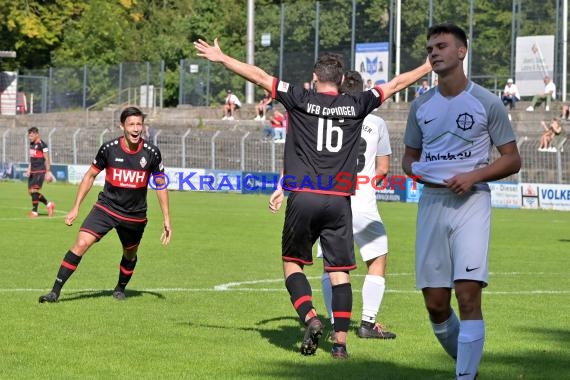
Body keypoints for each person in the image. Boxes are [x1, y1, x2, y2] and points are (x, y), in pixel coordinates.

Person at [194, 37, 431, 360]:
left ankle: (310, 317)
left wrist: (222, 58)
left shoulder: (299, 97)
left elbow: (259, 76)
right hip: (339, 199)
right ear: (341, 80)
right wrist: (430, 65)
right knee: (340, 272)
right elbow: (396, 83)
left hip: (303, 194)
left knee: (293, 264)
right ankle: (340, 345)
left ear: (316, 78)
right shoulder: (357, 104)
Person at [402, 24, 521, 380]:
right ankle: (468, 367)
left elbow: (512, 158)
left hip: (472, 203)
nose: (434, 53)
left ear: (461, 52)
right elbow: (409, 158)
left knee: (467, 296)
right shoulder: (420, 105)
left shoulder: (486, 101)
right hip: (432, 204)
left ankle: (465, 376)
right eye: (430, 48)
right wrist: (416, 171)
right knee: (436, 304)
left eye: (441, 46)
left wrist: (473, 176)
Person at [38, 106, 172, 303]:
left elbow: (160, 185)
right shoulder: (109, 149)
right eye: (131, 124)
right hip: (106, 208)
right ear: (122, 126)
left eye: (139, 124)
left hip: (134, 215)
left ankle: (120, 288)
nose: (136, 129)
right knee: (81, 243)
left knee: (130, 253)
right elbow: (90, 176)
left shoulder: (152, 152)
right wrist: (76, 206)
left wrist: (167, 218)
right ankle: (55, 292)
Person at [317, 70, 395, 341]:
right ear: (364, 92)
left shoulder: (327, 118)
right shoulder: (376, 122)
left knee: (332, 266)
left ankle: (333, 322)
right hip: (363, 201)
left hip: (331, 201)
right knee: (377, 260)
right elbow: (383, 169)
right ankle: (367, 323)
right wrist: (367, 180)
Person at [26, 127, 55, 218]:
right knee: (31, 192)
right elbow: (32, 158)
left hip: (40, 170)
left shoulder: (43, 145)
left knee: (34, 190)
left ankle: (34, 212)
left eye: (31, 135)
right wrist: (29, 168)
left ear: (36, 134)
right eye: (29, 135)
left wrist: (48, 172)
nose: (29, 137)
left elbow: (47, 158)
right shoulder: (31, 144)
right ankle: (49, 204)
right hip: (33, 171)